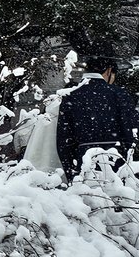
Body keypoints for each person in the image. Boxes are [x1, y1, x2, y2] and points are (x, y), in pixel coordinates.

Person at [56, 49, 138, 178]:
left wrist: (71, 172)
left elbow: (63, 139)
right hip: (116, 162)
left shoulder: (70, 96)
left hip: (83, 164)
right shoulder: (119, 94)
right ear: (108, 70)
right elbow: (130, 132)